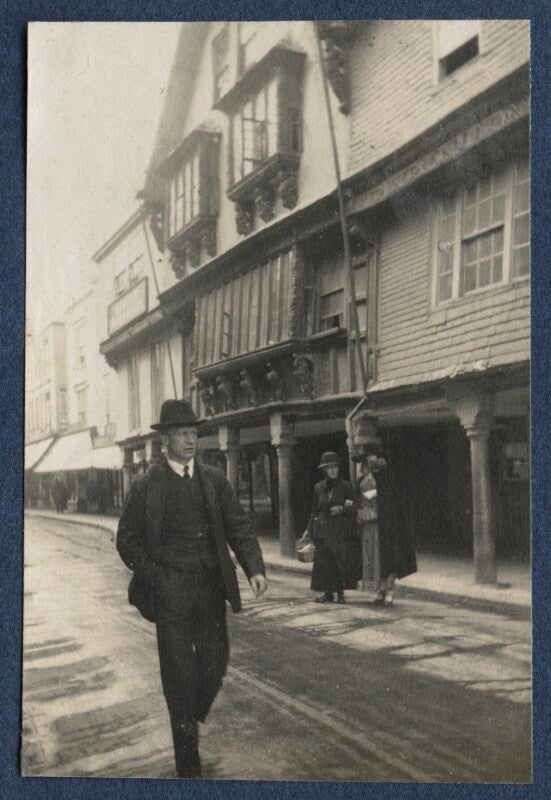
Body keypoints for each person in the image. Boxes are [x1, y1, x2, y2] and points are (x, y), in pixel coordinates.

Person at [116, 399, 267, 779]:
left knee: (216, 661)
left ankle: (188, 714)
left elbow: (239, 527)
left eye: (193, 433)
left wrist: (255, 568)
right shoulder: (146, 485)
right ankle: (188, 766)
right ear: (165, 439)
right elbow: (127, 541)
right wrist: (155, 576)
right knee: (178, 675)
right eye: (182, 434)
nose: (190, 441)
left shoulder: (214, 480)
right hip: (170, 597)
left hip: (209, 590)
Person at [356, 452, 417, 606]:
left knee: (391, 559)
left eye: (374, 456)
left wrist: (375, 494)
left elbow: (395, 498)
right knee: (380, 560)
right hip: (376, 525)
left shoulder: (389, 475)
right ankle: (381, 591)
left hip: (392, 524)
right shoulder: (365, 477)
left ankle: (389, 592)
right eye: (369, 457)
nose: (371, 460)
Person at [306, 451, 361, 604]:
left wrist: (342, 509)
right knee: (324, 563)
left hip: (339, 531)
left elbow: (356, 505)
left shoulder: (346, 486)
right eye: (329, 468)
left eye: (335, 467)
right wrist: (308, 529)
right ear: (324, 470)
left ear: (338, 468)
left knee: (339, 562)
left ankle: (341, 594)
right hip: (322, 531)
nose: (332, 470)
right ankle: (327, 594)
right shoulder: (319, 487)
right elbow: (314, 510)